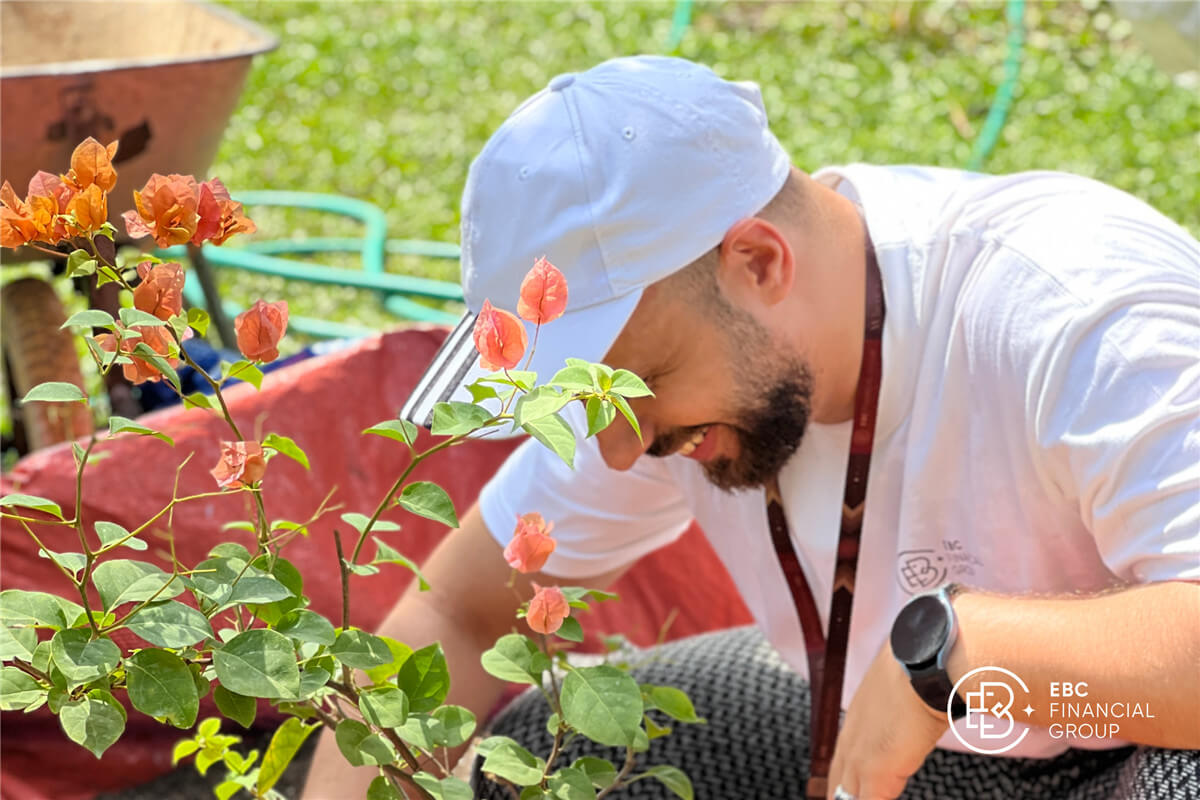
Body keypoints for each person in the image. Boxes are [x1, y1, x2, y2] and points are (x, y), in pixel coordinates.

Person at [302, 56, 1200, 800]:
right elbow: (458, 611)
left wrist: (962, 655)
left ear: (759, 261)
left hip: (1133, 733)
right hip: (907, 739)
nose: (615, 448)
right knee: (541, 754)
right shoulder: (657, 374)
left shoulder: (1081, 312)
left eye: (634, 389)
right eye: (583, 405)